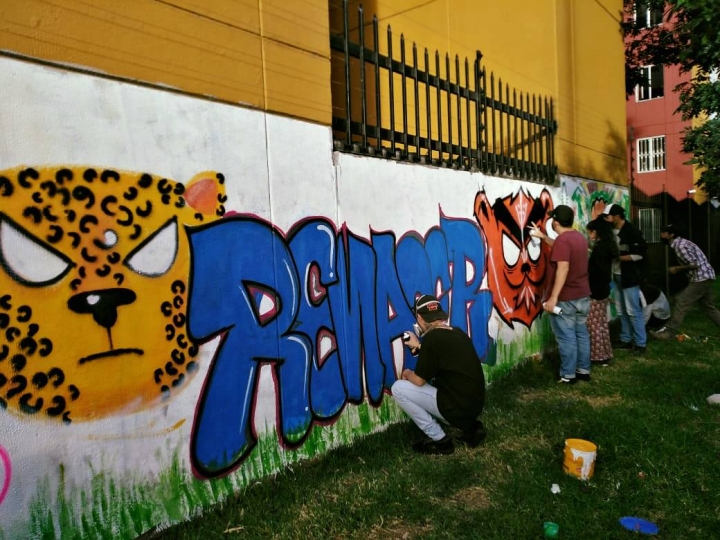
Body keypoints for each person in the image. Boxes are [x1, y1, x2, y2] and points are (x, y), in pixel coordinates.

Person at [391, 295, 486, 455]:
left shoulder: (432, 339)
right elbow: (443, 356)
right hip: (474, 407)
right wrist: (420, 347)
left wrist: (407, 373)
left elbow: (419, 381)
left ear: (420, 319)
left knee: (398, 389)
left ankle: (440, 441)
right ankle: (471, 428)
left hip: (457, 409)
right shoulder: (458, 333)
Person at [533, 205, 592, 383]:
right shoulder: (578, 237)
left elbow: (563, 267)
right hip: (583, 295)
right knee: (581, 333)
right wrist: (543, 237)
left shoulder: (563, 241)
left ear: (556, 222)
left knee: (566, 337)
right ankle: (583, 370)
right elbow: (562, 248)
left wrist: (553, 297)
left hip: (566, 298)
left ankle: (568, 375)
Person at [652, 224, 720, 339]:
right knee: (708, 307)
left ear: (671, 235)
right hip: (706, 276)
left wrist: (677, 268)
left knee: (681, 303)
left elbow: (695, 264)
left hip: (701, 278)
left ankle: (669, 332)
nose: (661, 235)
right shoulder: (682, 243)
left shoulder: (680, 246)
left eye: (664, 233)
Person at [603, 204, 648, 353]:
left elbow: (640, 255)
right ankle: (626, 339)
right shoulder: (610, 231)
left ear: (616, 216)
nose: (607, 219)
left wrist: (617, 258)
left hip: (629, 277)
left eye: (609, 216)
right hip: (616, 276)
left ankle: (641, 343)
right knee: (621, 310)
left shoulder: (632, 232)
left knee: (633, 310)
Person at [586, 218, 618, 367]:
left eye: (590, 232)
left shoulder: (600, 249)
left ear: (596, 231)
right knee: (601, 324)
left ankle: (598, 357)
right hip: (603, 290)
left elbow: (596, 271)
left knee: (594, 325)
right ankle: (605, 354)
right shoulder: (606, 246)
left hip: (596, 291)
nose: (589, 235)